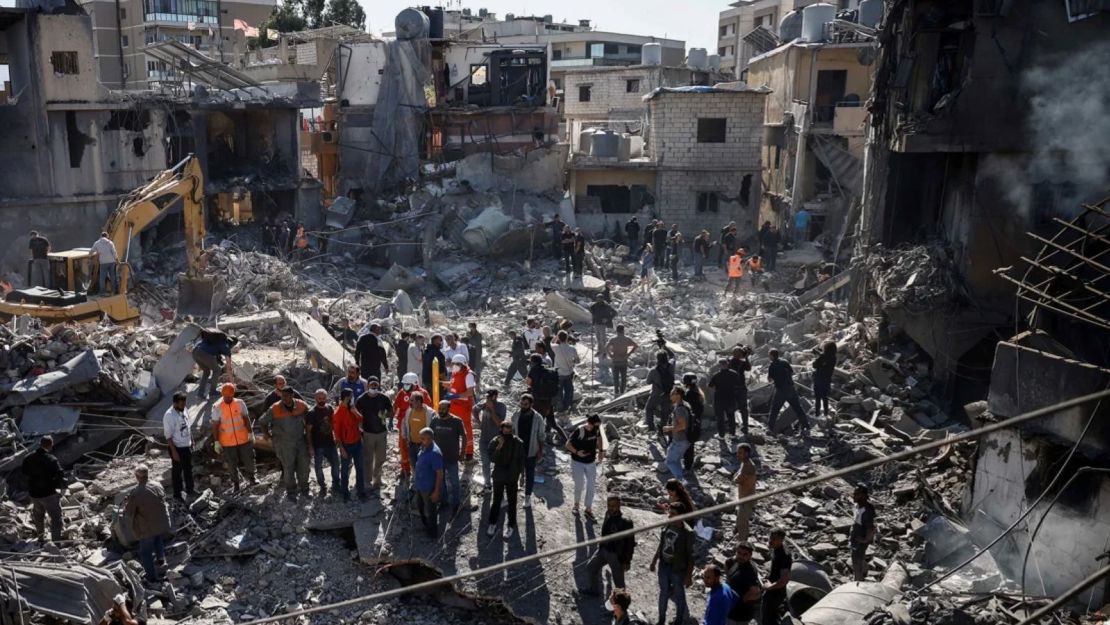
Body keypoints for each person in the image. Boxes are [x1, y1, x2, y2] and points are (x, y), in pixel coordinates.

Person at [258, 387, 311, 502]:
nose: (284, 398)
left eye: (286, 396)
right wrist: (267, 434)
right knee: (288, 467)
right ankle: (291, 491)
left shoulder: (301, 405)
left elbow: (310, 416)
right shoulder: (275, 408)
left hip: (300, 440)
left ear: (292, 395)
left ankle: (304, 488)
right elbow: (262, 421)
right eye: (282, 396)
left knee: (304, 465)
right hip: (284, 443)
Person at [123, 465, 171, 584]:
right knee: (158, 539)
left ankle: (152, 577)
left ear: (137, 477)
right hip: (162, 523)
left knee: (145, 553)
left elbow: (128, 513)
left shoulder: (136, 493)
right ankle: (161, 562)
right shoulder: (157, 485)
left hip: (147, 528)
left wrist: (127, 502)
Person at [650, 501, 694, 625]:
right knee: (663, 593)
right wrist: (654, 561)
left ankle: (678, 621)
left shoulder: (687, 532)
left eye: (673, 513)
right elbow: (661, 544)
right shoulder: (668, 525)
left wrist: (688, 576)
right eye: (670, 512)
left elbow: (691, 556)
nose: (670, 515)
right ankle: (661, 620)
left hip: (678, 570)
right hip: (664, 566)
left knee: (679, 596)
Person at [583, 494, 635, 595]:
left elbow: (630, 544)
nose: (611, 508)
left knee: (619, 583)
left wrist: (627, 561)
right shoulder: (608, 514)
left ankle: (621, 605)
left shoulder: (625, 522)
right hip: (603, 551)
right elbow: (604, 530)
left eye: (613, 505)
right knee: (590, 567)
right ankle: (594, 590)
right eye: (609, 505)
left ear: (619, 505)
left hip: (616, 556)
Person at [210, 384, 256, 491]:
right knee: (231, 463)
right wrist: (216, 441)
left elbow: (246, 418)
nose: (227, 398)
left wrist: (250, 433)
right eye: (225, 396)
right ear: (222, 395)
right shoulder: (217, 407)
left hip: (243, 438)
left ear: (233, 394)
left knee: (249, 458)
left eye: (229, 396)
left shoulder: (240, 403)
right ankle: (236, 483)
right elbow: (215, 426)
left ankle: (252, 478)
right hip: (227, 441)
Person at [21, 435, 66, 543]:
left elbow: (24, 472)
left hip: (34, 494)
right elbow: (60, 474)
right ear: (50, 445)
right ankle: (56, 543)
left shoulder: (28, 457)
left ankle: (41, 538)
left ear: (40, 444)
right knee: (56, 519)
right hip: (49, 494)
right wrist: (63, 488)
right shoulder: (51, 459)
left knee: (38, 516)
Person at [486, 419, 525, 538]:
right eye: (505, 429)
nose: (507, 431)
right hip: (499, 475)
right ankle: (492, 523)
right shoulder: (495, 441)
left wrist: (522, 475)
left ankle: (511, 525)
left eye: (509, 429)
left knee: (512, 501)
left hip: (512, 476)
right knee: (497, 501)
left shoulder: (518, 442)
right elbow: (492, 458)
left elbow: (522, 460)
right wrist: (499, 447)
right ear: (501, 429)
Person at [430, 399, 468, 511]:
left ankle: (456, 503)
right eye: (439, 409)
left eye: (443, 409)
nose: (440, 411)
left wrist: (462, 453)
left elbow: (464, 437)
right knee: (441, 483)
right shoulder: (435, 420)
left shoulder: (456, 421)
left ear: (448, 409)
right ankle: (444, 502)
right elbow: (430, 435)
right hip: (438, 458)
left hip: (452, 457)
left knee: (455, 482)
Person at [355, 377, 392, 492]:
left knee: (380, 458)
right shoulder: (362, 399)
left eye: (376, 385)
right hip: (368, 433)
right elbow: (356, 413)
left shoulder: (384, 398)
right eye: (372, 385)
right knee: (368, 458)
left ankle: (377, 480)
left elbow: (392, 411)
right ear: (368, 386)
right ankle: (367, 480)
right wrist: (359, 427)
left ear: (379, 385)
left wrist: (385, 416)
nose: (374, 388)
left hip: (381, 432)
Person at [525, 353, 567, 444]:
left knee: (536, 422)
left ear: (533, 362)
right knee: (553, 423)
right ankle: (566, 441)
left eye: (531, 362)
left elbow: (528, 382)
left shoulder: (533, 370)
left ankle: (536, 442)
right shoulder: (548, 370)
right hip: (548, 401)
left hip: (537, 402)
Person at [567, 414, 604, 518]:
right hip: (577, 462)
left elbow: (599, 439)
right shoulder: (579, 431)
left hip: (591, 462)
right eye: (595, 425)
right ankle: (576, 505)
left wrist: (601, 451)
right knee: (579, 484)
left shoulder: (596, 430)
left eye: (598, 425)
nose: (597, 428)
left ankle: (588, 508)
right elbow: (567, 445)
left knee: (591, 486)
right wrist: (577, 452)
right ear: (589, 423)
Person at [395, 372, 432, 476]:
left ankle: (421, 469)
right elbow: (395, 405)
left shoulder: (422, 393)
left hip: (419, 426)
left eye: (408, 384)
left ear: (415, 384)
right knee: (403, 447)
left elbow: (429, 409)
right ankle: (405, 469)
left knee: (421, 448)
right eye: (405, 384)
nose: (405, 387)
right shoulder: (402, 393)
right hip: (404, 425)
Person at [511, 394, 545, 509]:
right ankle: (512, 495)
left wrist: (540, 451)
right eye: (521, 403)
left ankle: (527, 497)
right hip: (517, 451)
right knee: (514, 473)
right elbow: (512, 432)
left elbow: (541, 436)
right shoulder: (516, 415)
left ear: (531, 404)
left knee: (530, 475)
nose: (523, 406)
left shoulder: (538, 418)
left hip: (531, 451)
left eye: (525, 404)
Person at [766, 349, 810, 435]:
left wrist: (775, 379)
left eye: (769, 355)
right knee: (798, 409)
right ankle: (806, 427)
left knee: (774, 410)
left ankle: (770, 428)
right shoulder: (785, 362)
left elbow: (769, 379)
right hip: (791, 389)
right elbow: (791, 373)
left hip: (780, 391)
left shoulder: (772, 365)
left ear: (771, 356)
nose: (769, 357)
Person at [442, 353, 477, 460]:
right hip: (454, 405)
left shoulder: (468, 375)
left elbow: (470, 392)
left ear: (463, 364)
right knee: (453, 429)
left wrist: (455, 395)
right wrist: (444, 384)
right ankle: (454, 451)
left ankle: (469, 453)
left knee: (466, 430)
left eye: (457, 364)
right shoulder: (455, 372)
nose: (455, 365)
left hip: (463, 406)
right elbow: (454, 383)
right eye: (454, 363)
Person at [333, 388, 365, 502]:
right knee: (345, 469)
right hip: (346, 445)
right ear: (346, 398)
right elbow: (337, 433)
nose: (353, 398)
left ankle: (361, 491)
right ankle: (345, 492)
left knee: (360, 468)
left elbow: (360, 419)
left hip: (357, 442)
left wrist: (354, 411)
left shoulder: (352, 408)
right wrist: (342, 449)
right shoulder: (338, 412)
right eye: (351, 396)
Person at [306, 389, 339, 498]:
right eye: (319, 398)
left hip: (330, 443)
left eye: (324, 398)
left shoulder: (329, 408)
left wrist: (336, 437)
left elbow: (333, 424)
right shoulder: (311, 413)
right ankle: (322, 486)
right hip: (318, 445)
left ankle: (335, 484)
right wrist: (310, 446)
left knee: (335, 464)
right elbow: (308, 431)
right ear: (315, 399)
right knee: (318, 467)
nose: (322, 400)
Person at [162, 392, 195, 502]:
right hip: (177, 448)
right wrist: (174, 451)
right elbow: (168, 436)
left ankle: (190, 490)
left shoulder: (184, 409)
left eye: (184, 404)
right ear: (175, 403)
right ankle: (178, 494)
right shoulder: (169, 415)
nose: (183, 406)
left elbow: (188, 426)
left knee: (188, 470)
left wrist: (192, 441)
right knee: (177, 472)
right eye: (181, 404)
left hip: (187, 446)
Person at [414, 428, 444, 538]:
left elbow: (440, 474)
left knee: (431, 511)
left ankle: (432, 533)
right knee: (420, 506)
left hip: (429, 488)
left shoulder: (435, 453)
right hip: (420, 485)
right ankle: (425, 525)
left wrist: (436, 492)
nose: (420, 440)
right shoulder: (424, 447)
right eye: (420, 438)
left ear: (430, 439)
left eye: (423, 439)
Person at [474, 389, 507, 490]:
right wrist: (478, 421)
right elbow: (474, 409)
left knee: (498, 463)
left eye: (490, 397)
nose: (487, 398)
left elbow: (499, 423)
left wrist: (492, 409)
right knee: (485, 463)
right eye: (487, 396)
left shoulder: (501, 406)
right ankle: (487, 484)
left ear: (495, 397)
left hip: (497, 440)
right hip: (484, 439)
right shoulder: (484, 404)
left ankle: (499, 483)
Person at [725, 542, 764, 625]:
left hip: (741, 614)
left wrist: (740, 601)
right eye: (739, 553)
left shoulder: (750, 571)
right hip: (730, 610)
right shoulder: (736, 563)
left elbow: (755, 592)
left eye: (745, 554)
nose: (741, 556)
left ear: (750, 556)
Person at [400, 392, 434, 482]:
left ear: (419, 401)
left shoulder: (429, 413)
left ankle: (426, 485)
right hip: (412, 444)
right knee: (414, 464)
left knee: (425, 465)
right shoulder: (409, 411)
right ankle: (417, 482)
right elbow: (404, 423)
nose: (409, 402)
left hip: (424, 446)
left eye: (412, 400)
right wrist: (405, 436)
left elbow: (432, 430)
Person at [193, 329, 237, 397]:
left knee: (206, 371)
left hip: (195, 351)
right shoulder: (226, 347)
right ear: (233, 344)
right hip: (204, 353)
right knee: (217, 370)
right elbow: (229, 368)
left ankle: (200, 394)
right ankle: (213, 392)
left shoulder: (217, 340)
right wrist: (232, 384)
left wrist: (219, 360)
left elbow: (214, 353)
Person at [762, 529, 792, 625]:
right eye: (770, 537)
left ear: (781, 540)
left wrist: (769, 587)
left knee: (768, 616)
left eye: (774, 539)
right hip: (773, 587)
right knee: (770, 614)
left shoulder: (784, 555)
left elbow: (784, 580)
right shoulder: (776, 548)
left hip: (776, 592)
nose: (770, 540)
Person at [708, 359, 742, 438]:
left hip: (719, 399)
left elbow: (710, 386)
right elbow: (739, 385)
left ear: (719, 365)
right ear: (727, 364)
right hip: (731, 398)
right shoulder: (734, 374)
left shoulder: (716, 375)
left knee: (720, 418)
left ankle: (721, 435)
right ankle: (732, 434)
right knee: (731, 416)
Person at [664, 387, 691, 482]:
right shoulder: (683, 404)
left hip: (680, 440)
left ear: (678, 395)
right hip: (682, 440)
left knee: (669, 462)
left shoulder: (680, 409)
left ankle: (681, 482)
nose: (670, 396)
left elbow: (682, 426)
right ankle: (681, 481)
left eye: (672, 394)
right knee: (676, 461)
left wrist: (669, 428)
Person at [850, 485, 877, 581]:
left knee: (856, 560)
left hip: (860, 539)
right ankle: (864, 572)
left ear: (863, 496)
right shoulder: (858, 505)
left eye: (856, 494)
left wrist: (865, 540)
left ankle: (858, 582)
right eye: (854, 494)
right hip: (856, 535)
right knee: (858, 557)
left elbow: (871, 528)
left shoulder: (867, 510)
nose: (853, 496)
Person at [645, 351, 675, 432]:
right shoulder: (671, 366)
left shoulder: (653, 370)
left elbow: (648, 382)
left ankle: (651, 427)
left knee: (649, 408)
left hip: (656, 394)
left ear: (657, 359)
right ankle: (663, 428)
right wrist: (665, 347)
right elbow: (673, 357)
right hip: (668, 393)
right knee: (665, 412)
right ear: (666, 358)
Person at [733, 443, 757, 541]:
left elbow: (736, 479)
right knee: (741, 521)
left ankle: (742, 544)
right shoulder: (745, 463)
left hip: (747, 499)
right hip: (743, 497)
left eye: (740, 453)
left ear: (746, 454)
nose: (737, 455)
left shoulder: (748, 467)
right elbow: (737, 476)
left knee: (742, 524)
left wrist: (735, 477)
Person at [606, 325, 638, 396]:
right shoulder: (627, 339)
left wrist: (611, 355)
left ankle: (616, 393)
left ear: (616, 331)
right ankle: (622, 393)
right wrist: (629, 354)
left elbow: (606, 347)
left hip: (615, 361)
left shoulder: (613, 339)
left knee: (616, 379)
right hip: (623, 361)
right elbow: (635, 345)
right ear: (623, 330)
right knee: (623, 379)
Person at [551, 330, 579, 413]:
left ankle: (559, 408)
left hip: (559, 374)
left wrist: (556, 337)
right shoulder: (572, 348)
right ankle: (567, 406)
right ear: (567, 338)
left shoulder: (555, 347)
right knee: (569, 391)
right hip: (569, 373)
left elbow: (551, 342)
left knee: (559, 392)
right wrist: (572, 362)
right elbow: (577, 361)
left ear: (559, 338)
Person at [681, 373, 704, 472]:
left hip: (689, 422)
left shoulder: (689, 394)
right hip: (696, 422)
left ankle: (687, 466)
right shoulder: (698, 392)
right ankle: (688, 464)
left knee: (687, 444)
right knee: (690, 444)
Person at [729, 347, 754, 432]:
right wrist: (746, 357)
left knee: (732, 408)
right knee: (743, 408)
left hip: (733, 389)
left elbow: (748, 368)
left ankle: (733, 427)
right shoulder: (738, 362)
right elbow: (748, 368)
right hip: (740, 388)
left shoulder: (731, 361)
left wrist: (745, 357)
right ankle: (745, 426)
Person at [812, 342, 837, 418]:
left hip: (819, 379)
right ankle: (826, 413)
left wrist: (817, 356)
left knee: (818, 398)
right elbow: (825, 358)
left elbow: (814, 365)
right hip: (827, 380)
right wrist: (819, 354)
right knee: (825, 397)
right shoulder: (834, 357)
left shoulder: (822, 356)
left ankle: (817, 414)